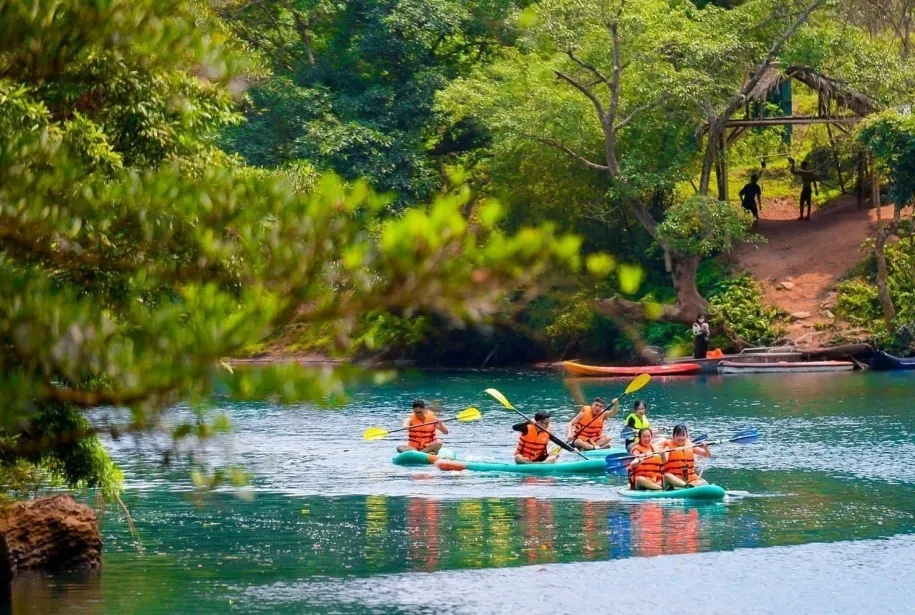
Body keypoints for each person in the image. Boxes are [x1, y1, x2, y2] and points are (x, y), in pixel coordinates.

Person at [660, 424, 711, 490]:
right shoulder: (668, 446)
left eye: (683, 435)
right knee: (667, 476)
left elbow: (707, 455)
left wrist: (706, 448)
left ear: (687, 436)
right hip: (675, 480)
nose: (681, 438)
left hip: (691, 479)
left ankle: (691, 486)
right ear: (673, 436)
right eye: (678, 435)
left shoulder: (690, 445)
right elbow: (664, 460)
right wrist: (663, 454)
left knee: (703, 482)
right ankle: (686, 486)